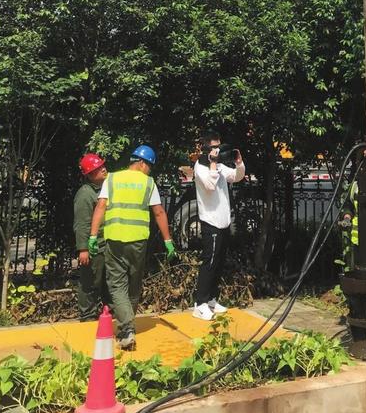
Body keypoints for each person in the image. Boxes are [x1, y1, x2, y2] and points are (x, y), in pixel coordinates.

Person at [88, 144, 175, 350]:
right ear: (143, 163)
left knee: (117, 284)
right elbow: (159, 212)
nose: (149, 170)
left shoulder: (113, 179)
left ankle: (126, 328)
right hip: (137, 242)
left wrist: (92, 236)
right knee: (134, 282)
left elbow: (101, 206)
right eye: (150, 166)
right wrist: (168, 240)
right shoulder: (148, 183)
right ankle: (128, 326)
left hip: (115, 240)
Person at [192, 128, 245, 320]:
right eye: (214, 148)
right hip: (211, 222)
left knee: (219, 262)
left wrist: (239, 163)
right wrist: (213, 164)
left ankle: (212, 299)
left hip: (223, 222)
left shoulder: (219, 166)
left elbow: (237, 177)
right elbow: (210, 186)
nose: (217, 151)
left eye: (219, 147)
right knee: (210, 263)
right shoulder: (201, 168)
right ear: (206, 148)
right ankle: (200, 304)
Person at [73, 153, 109, 321]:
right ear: (90, 174)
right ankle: (87, 315)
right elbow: (82, 223)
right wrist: (83, 249)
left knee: (106, 282)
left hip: (106, 244)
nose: (103, 169)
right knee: (90, 283)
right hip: (94, 246)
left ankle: (107, 313)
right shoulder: (85, 194)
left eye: (102, 166)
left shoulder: (105, 189)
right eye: (97, 168)